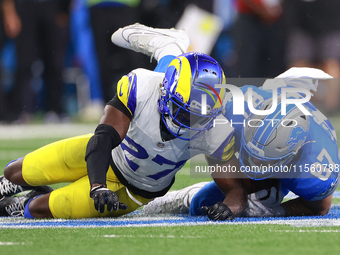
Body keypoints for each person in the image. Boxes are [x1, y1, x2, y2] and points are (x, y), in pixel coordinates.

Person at [0, 24, 235, 219]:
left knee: (38, 209)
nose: (188, 122)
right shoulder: (142, 86)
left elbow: (234, 187)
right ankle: (169, 48)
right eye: (183, 112)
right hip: (111, 154)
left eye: (198, 117)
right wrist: (97, 186)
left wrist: (231, 206)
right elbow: (103, 137)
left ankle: (21, 206)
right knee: (15, 172)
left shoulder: (215, 129)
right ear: (166, 94)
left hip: (133, 192)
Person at [143, 67, 340, 220]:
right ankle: (183, 198)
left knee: (260, 198)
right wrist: (235, 190)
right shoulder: (236, 108)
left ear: (291, 156)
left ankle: (189, 198)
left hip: (304, 140)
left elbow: (320, 207)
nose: (252, 164)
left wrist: (272, 211)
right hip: (275, 97)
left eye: (263, 161)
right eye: (251, 153)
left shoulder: (317, 168)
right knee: (211, 201)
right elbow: (211, 140)